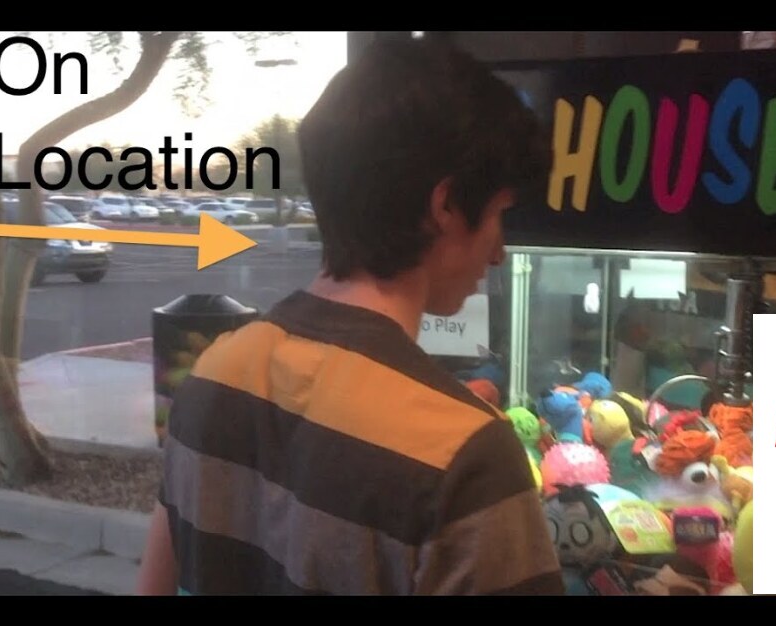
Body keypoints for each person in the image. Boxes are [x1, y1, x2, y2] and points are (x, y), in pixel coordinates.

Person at [136, 35, 565, 596]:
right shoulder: (465, 455)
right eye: (499, 214)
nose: (499, 251)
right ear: (446, 205)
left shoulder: (213, 375)